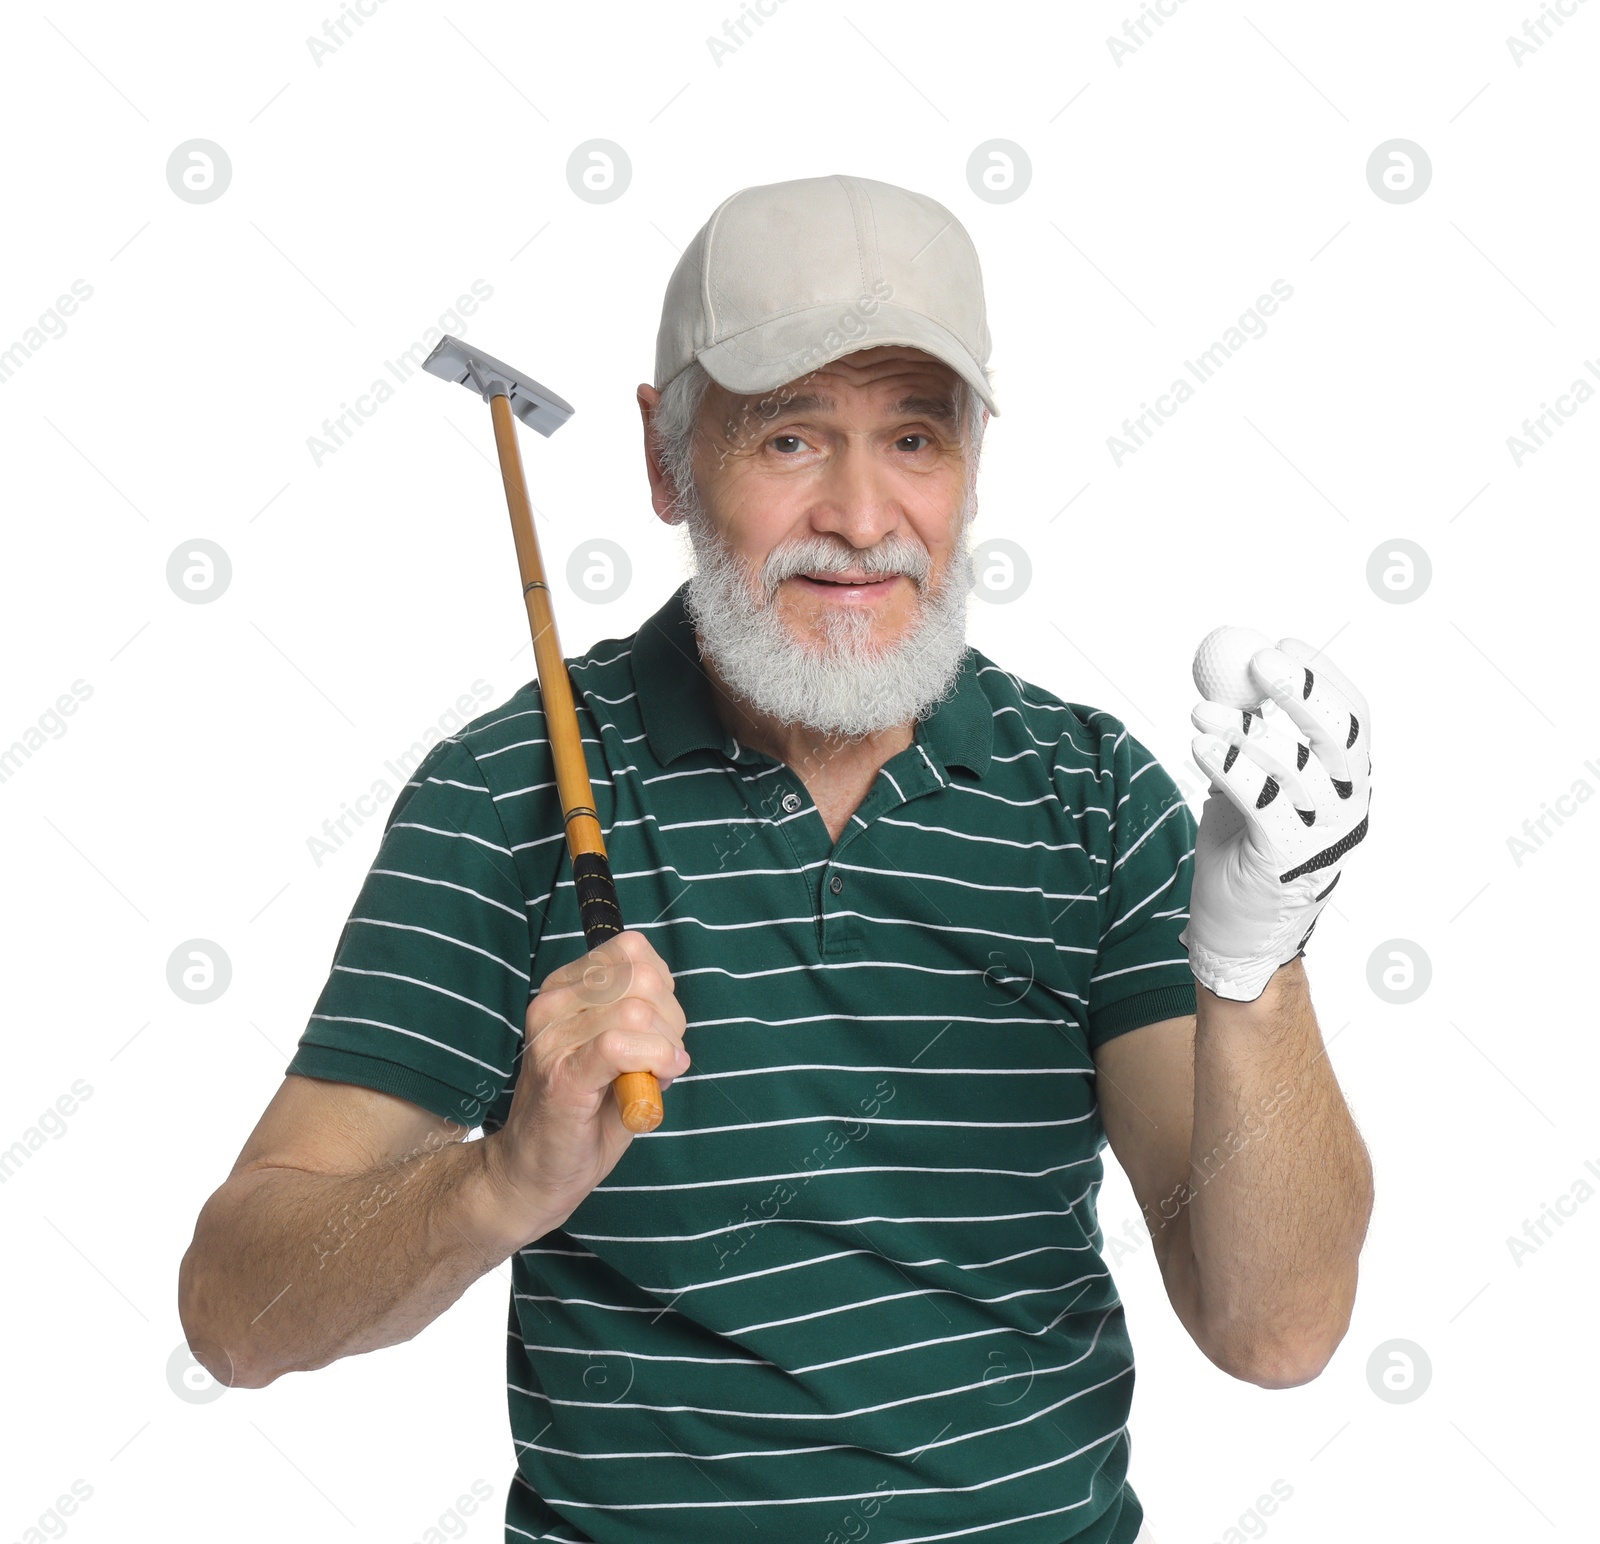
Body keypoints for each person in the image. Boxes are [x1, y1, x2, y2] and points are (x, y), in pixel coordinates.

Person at [178, 174, 1374, 1544]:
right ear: (664, 454)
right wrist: (500, 1178)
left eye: (914, 438)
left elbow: (1276, 1332)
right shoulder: (510, 790)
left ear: (975, 457)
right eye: (793, 439)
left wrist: (1254, 966)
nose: (865, 520)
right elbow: (234, 1316)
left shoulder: (1094, 797)